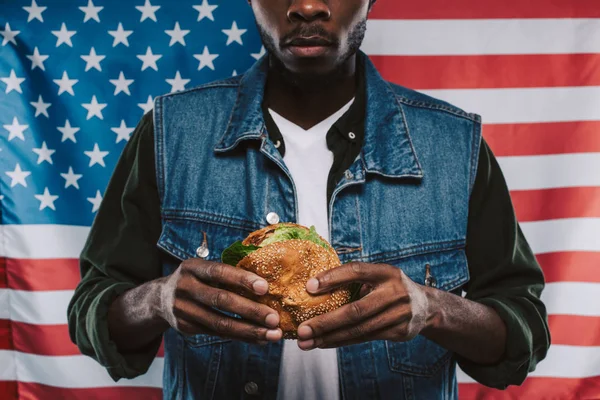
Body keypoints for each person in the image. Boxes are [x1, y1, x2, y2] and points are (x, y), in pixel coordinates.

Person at [67, 0, 551, 399]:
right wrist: (157, 300)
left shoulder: (452, 145)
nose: (306, 7)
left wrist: (433, 308)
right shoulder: (173, 134)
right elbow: (92, 311)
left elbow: (523, 331)